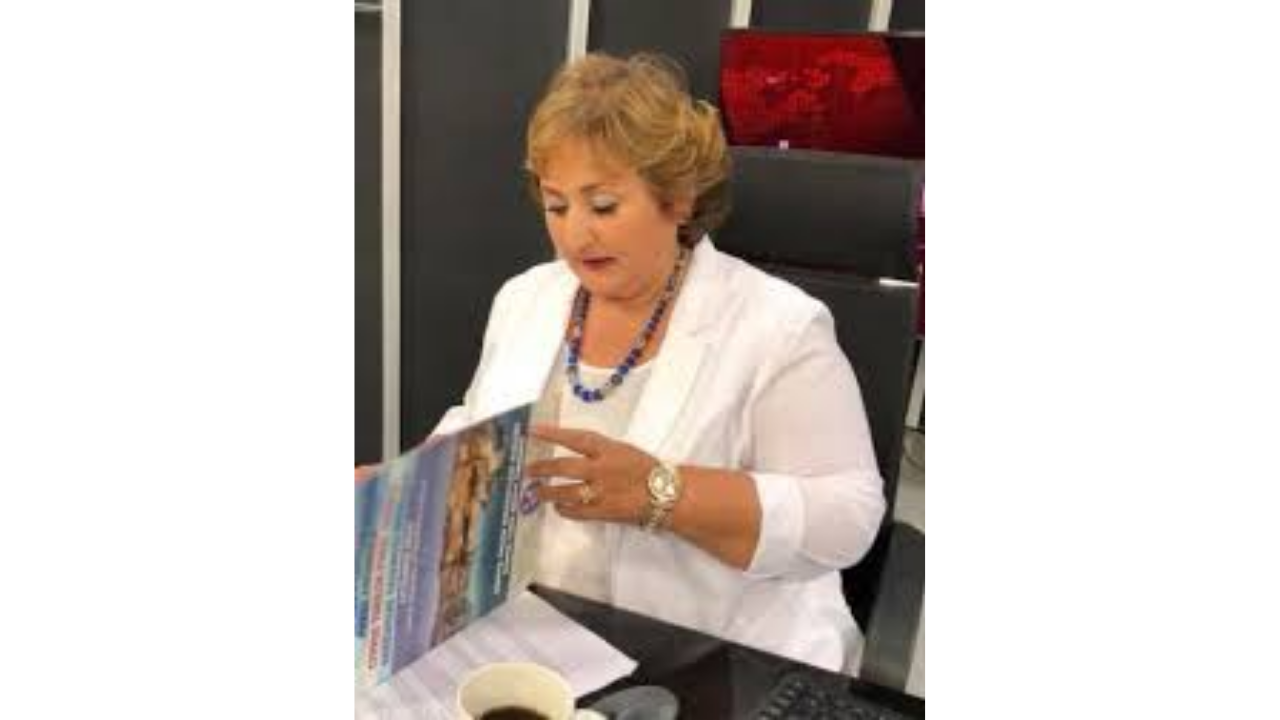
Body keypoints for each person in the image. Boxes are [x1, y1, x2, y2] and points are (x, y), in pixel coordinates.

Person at [433, 52, 886, 674]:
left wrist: (662, 493)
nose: (575, 236)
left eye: (603, 205)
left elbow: (848, 517)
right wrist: (405, 489)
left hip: (710, 654)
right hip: (530, 627)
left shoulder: (779, 327)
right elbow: (477, 423)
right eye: (557, 206)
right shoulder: (525, 297)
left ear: (678, 199)